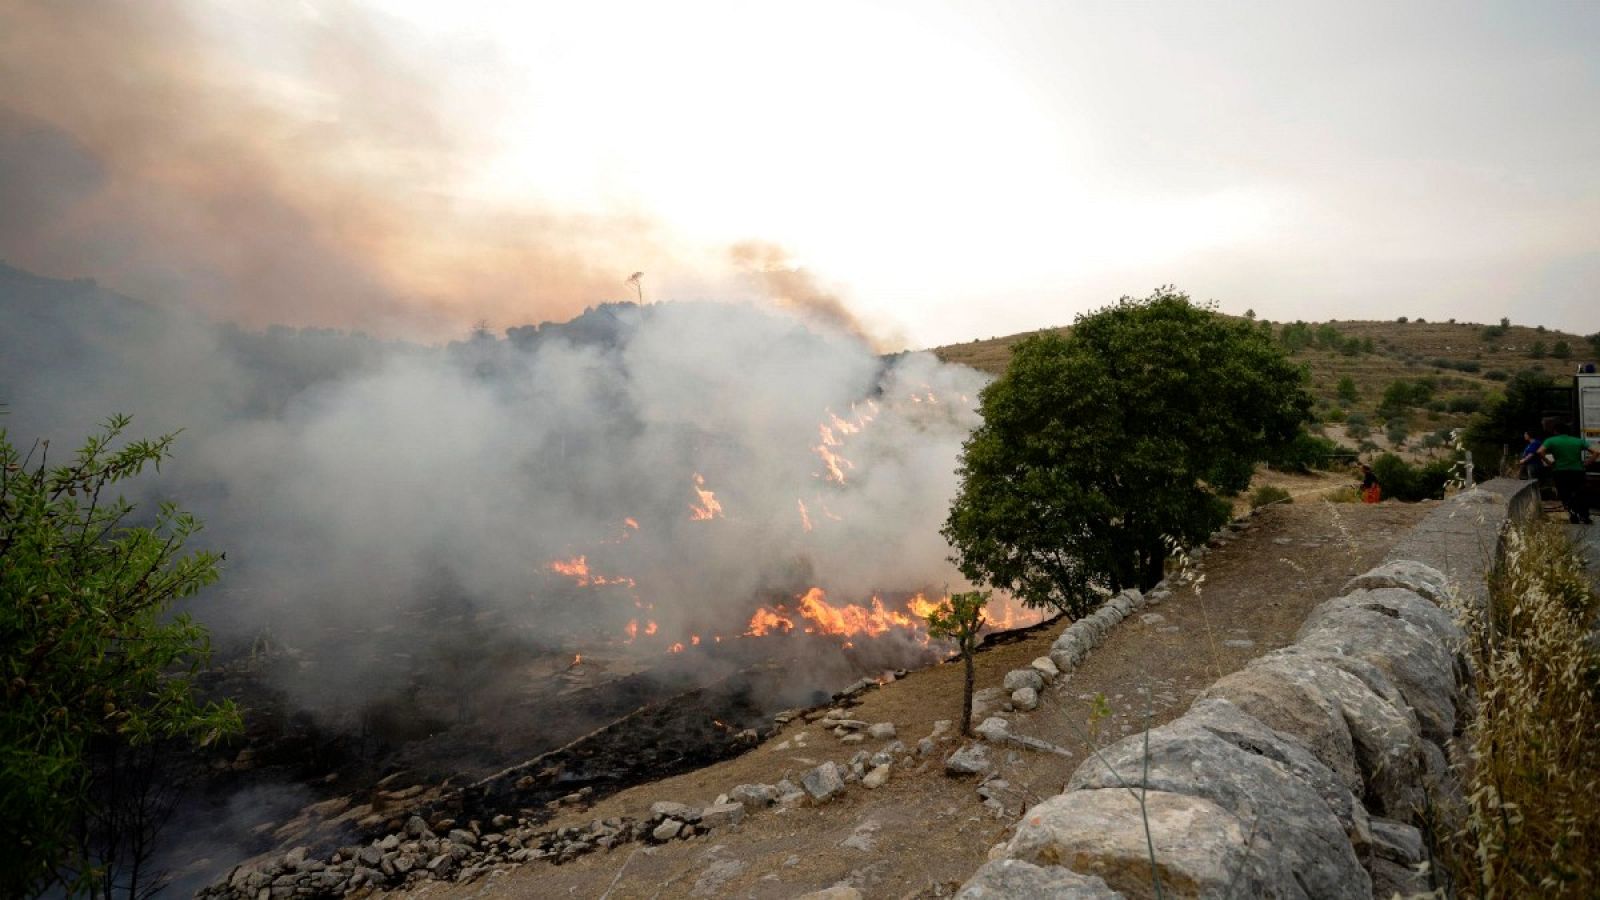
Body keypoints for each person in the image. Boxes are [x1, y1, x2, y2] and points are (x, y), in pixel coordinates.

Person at [1539, 418, 1596, 525]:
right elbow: (1596, 452)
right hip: (1578, 471)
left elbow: (1540, 451)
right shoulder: (1578, 441)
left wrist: (1549, 463)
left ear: (1556, 431)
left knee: (1565, 494)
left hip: (1560, 471)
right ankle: (1585, 516)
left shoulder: (1551, 440)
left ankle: (1573, 515)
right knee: (1581, 493)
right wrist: (1587, 463)